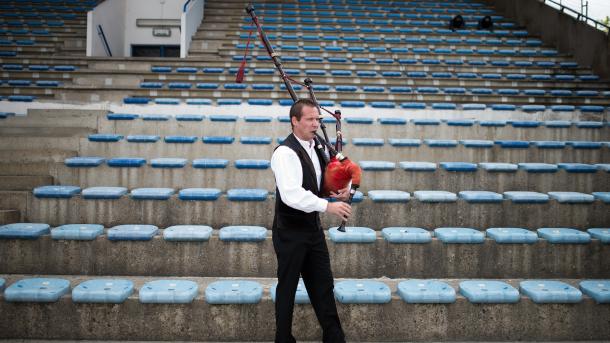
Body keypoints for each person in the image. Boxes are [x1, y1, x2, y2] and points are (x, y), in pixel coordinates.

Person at [270, 98, 352, 343]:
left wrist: (340, 190)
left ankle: (335, 339)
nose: (316, 123)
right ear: (295, 121)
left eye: (318, 119)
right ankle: (283, 340)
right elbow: (292, 194)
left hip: (312, 230)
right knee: (287, 290)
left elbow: (328, 177)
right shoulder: (284, 152)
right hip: (290, 232)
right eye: (310, 119)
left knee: (324, 286)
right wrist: (328, 205)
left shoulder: (318, 146)